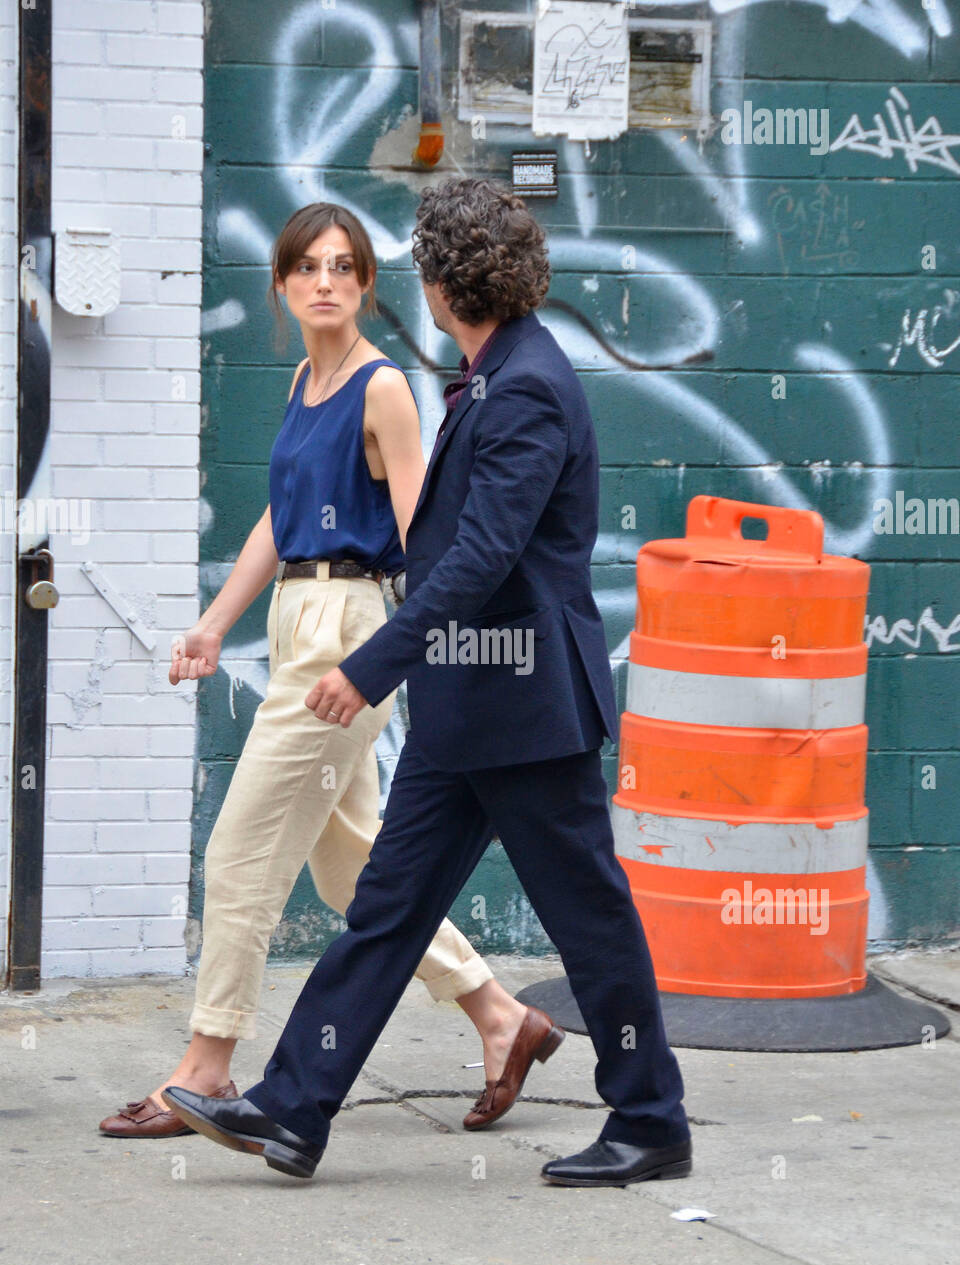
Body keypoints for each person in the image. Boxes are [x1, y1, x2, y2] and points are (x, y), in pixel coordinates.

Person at [163, 177, 692, 1188]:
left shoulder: (526, 384)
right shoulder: (491, 376)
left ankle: (651, 1118)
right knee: (388, 907)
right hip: (466, 711)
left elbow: (481, 557)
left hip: (528, 709)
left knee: (588, 912)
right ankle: (295, 1104)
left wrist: (367, 667)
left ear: (449, 283)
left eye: (423, 273)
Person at [99, 201, 564, 1142]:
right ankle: (502, 1016)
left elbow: (422, 531)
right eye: (307, 266)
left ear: (365, 286)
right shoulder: (303, 385)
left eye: (344, 267)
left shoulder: (380, 387)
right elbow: (280, 518)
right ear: (281, 283)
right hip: (293, 622)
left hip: (344, 635)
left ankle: (208, 1065)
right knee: (352, 870)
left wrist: (402, 655)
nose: (325, 280)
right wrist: (212, 625)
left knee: (237, 857)